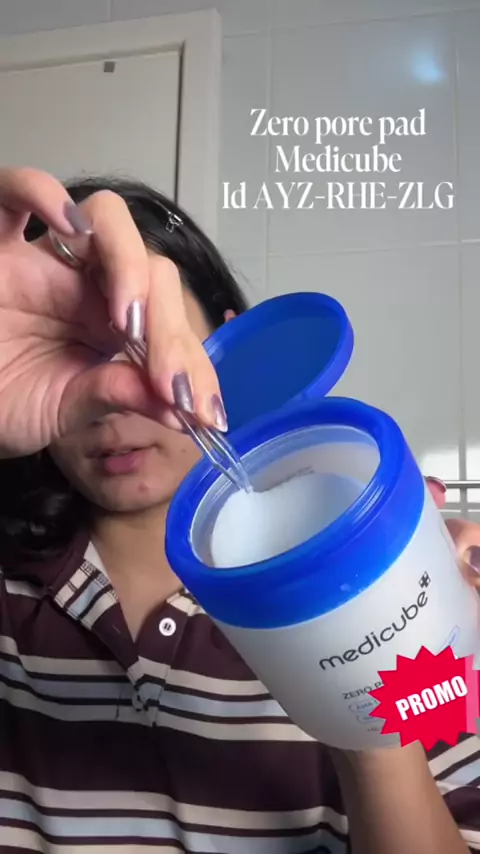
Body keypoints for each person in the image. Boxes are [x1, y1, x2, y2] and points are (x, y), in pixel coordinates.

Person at [0, 167, 478, 854]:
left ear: (229, 346)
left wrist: (365, 689)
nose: (107, 401)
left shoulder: (405, 607)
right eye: (71, 358)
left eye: (137, 346)